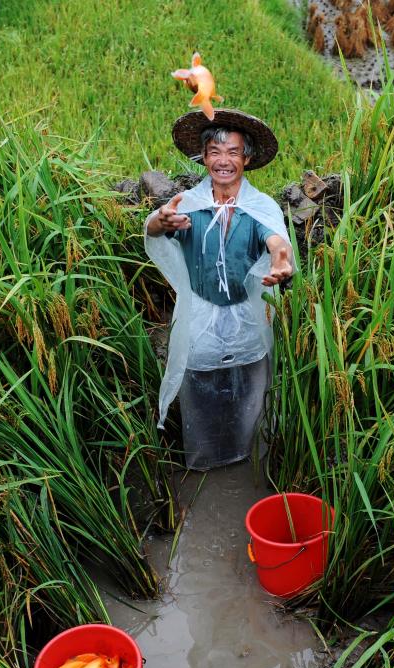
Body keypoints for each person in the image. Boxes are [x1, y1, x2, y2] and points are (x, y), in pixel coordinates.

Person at [144, 109, 295, 470]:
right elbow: (155, 226)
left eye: (233, 152)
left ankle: (246, 457)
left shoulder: (260, 207)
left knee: (248, 386)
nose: (223, 161)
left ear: (247, 158)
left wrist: (280, 259)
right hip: (199, 316)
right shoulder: (190, 206)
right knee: (199, 385)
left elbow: (275, 238)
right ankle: (206, 456)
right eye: (214, 151)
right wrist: (159, 222)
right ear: (203, 157)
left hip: (247, 316)